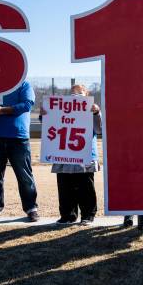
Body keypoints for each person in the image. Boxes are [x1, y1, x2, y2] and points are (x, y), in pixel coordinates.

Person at [41, 85, 102, 225]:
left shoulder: (92, 110)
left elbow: (99, 129)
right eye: (72, 94)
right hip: (63, 155)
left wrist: (96, 112)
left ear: (87, 95)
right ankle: (68, 215)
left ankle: (88, 215)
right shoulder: (62, 109)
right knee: (65, 187)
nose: (76, 96)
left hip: (85, 155)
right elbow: (49, 124)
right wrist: (45, 113)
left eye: (80, 93)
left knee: (85, 187)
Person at [0, 81, 39, 223]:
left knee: (24, 175)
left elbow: (27, 104)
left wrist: (1, 110)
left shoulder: (23, 84)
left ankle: (31, 208)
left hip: (19, 136)